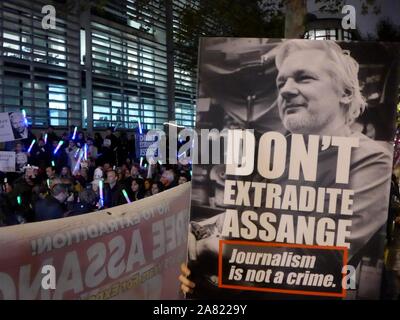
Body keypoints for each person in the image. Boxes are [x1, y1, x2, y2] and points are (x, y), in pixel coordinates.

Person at [181, 39, 394, 297]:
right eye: (281, 82)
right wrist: (194, 232)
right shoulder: (276, 150)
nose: (285, 91)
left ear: (346, 93)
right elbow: (242, 219)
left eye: (304, 78)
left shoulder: (371, 159)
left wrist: (210, 251)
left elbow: (318, 259)